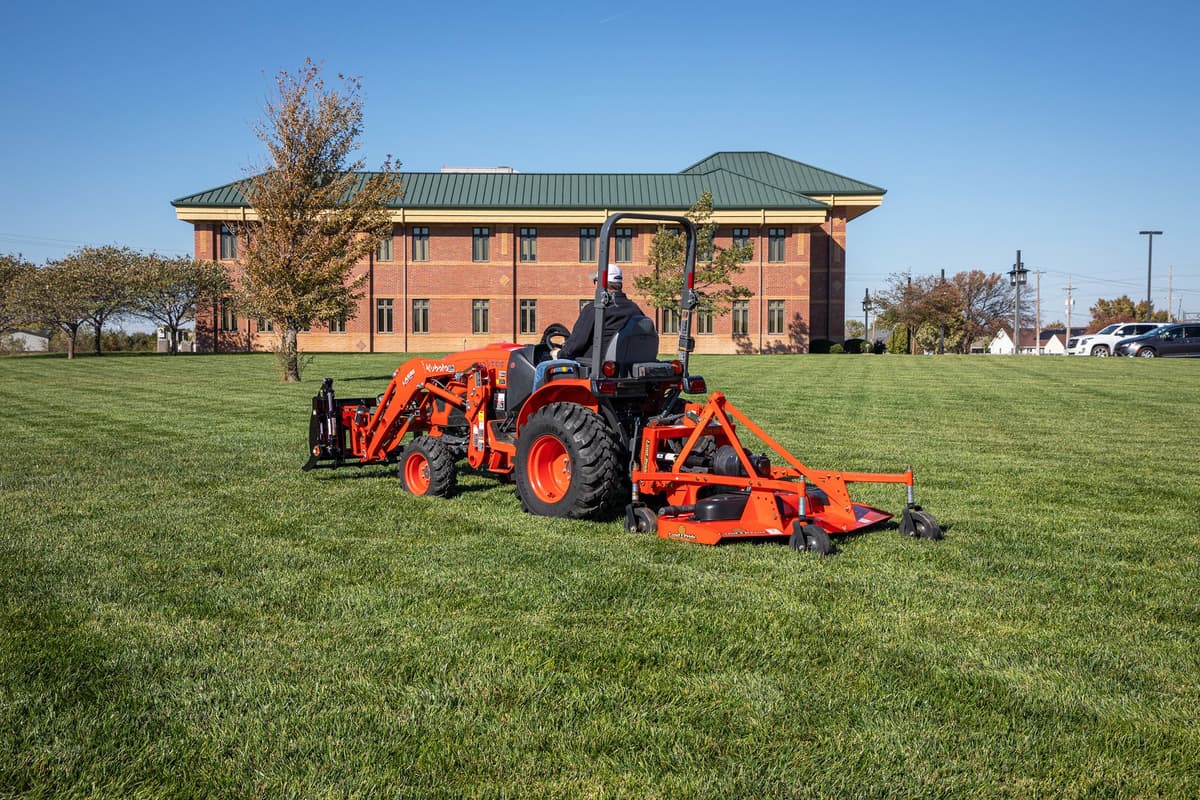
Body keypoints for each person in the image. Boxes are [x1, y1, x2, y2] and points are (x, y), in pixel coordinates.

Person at [557, 264, 647, 362]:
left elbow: (576, 344)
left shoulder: (595, 308)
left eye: (596, 281)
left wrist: (558, 353)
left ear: (602, 284)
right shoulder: (635, 309)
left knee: (542, 367)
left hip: (593, 366)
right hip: (624, 366)